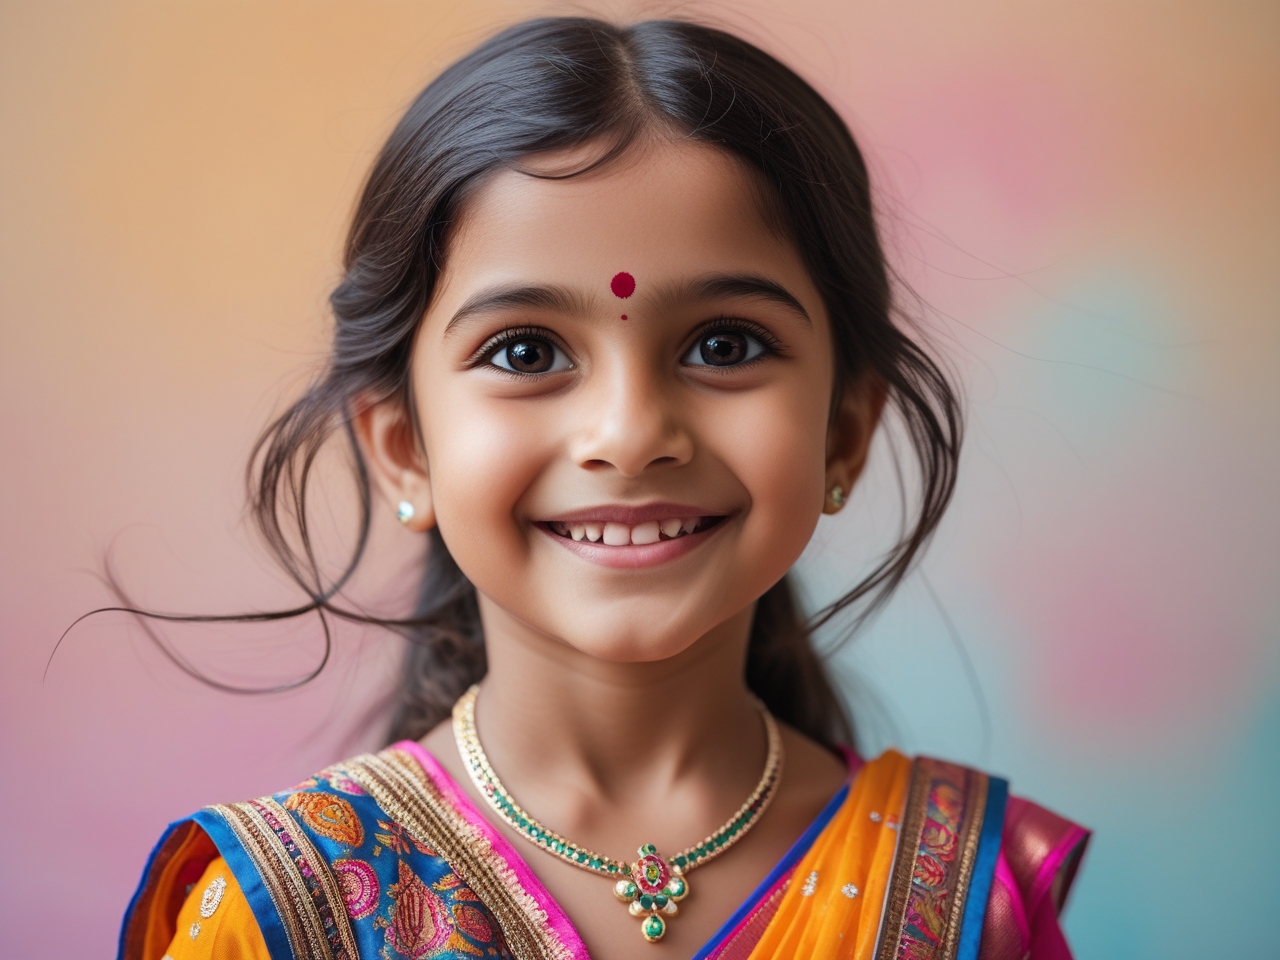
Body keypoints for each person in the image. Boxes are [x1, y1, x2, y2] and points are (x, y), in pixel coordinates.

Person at [117, 17, 1088, 960]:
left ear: (841, 432)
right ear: (405, 447)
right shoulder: (285, 915)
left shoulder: (972, 899)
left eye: (723, 345)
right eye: (526, 351)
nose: (627, 435)